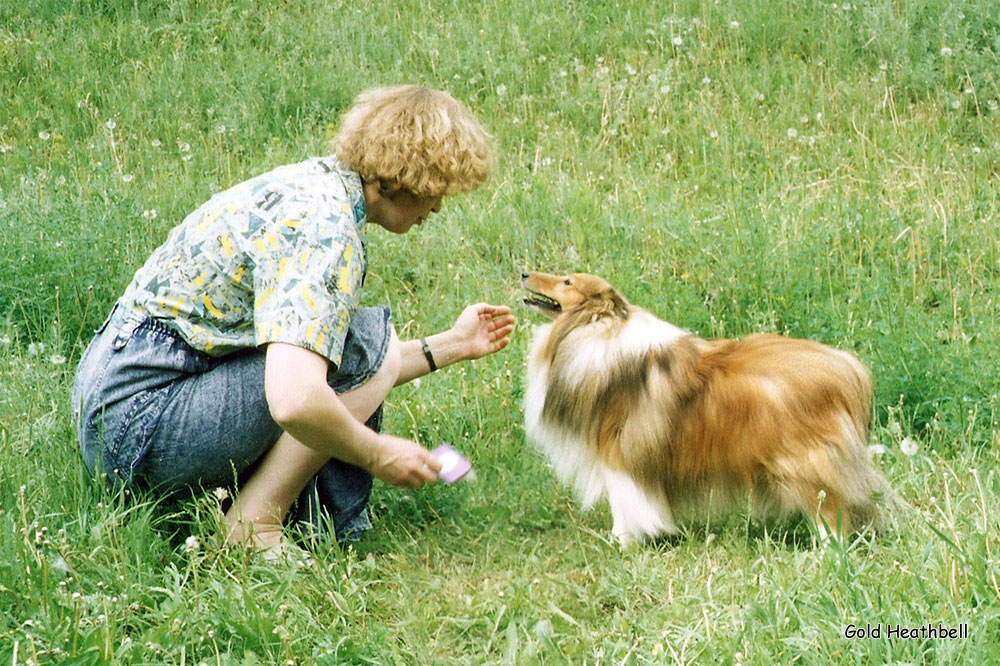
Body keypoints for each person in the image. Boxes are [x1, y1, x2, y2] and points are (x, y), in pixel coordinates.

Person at [71, 85, 515, 551]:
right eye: (437, 190)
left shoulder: (312, 186)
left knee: (360, 344)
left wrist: (453, 345)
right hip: (142, 429)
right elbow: (296, 398)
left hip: (110, 412)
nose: (438, 207)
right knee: (364, 341)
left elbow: (339, 368)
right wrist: (378, 453)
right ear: (407, 178)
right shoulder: (328, 232)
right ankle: (254, 526)